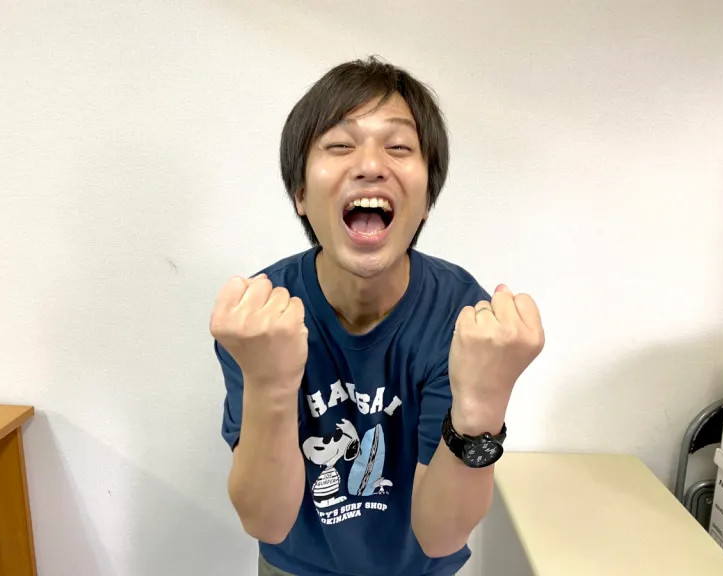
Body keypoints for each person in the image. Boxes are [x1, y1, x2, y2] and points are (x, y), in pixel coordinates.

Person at [210, 56, 545, 576]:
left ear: (427, 198)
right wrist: (269, 384)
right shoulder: (260, 316)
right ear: (300, 193)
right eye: (340, 145)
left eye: (399, 147)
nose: (370, 164)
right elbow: (266, 522)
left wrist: (483, 408)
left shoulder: (460, 317)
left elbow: (441, 536)